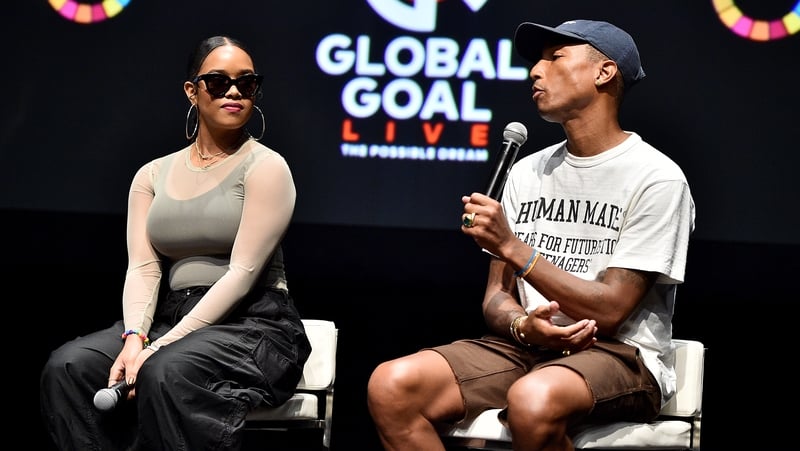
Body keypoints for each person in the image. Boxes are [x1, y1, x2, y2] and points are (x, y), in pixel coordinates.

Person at [367, 19, 695, 451]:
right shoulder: (528, 171)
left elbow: (612, 309)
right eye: (537, 61)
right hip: (525, 349)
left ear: (604, 72)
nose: (535, 71)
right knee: (391, 385)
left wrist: (512, 247)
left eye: (555, 57)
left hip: (619, 354)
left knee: (533, 399)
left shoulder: (656, 178)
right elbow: (495, 298)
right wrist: (523, 324)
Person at [39, 35, 311, 451]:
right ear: (192, 91)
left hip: (254, 324)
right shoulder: (152, 175)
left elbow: (242, 275)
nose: (234, 91)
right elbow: (144, 268)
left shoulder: (267, 167)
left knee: (166, 369)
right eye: (218, 82)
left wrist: (160, 346)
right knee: (70, 366)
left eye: (247, 82)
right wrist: (135, 339)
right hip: (173, 315)